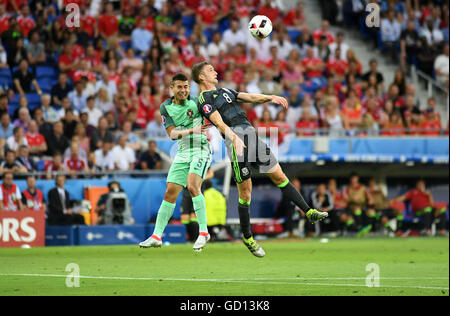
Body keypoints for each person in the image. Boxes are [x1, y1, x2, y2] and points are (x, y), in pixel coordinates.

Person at [192, 61, 327, 257]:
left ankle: (309, 212)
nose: (215, 71)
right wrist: (233, 138)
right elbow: (218, 122)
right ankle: (247, 237)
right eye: (210, 70)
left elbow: (250, 97)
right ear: (202, 77)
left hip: (252, 136)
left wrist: (270, 97)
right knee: (245, 193)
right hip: (235, 141)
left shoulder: (226, 91)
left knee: (279, 175)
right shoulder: (203, 99)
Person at [139, 73, 212, 252]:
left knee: (193, 186)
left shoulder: (196, 102)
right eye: (179, 87)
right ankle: (157, 236)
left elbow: (213, 114)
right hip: (183, 151)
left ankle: (203, 232)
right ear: (172, 88)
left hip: (200, 149)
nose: (183, 90)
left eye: (186, 86)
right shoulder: (165, 107)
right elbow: (171, 134)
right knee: (170, 192)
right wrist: (192, 129)